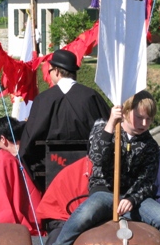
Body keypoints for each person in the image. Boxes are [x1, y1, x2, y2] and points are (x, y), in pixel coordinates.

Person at [46, 90, 160, 245]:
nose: (144, 123)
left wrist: (132, 198)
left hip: (135, 198)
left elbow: (147, 180)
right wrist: (110, 126)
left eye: (149, 119)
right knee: (86, 212)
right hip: (105, 191)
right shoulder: (103, 128)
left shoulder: (149, 144)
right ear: (125, 111)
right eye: (139, 117)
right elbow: (96, 157)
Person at [19, 49, 110, 191]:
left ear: (56, 71)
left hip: (50, 176)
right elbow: (109, 131)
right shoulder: (91, 97)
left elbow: (27, 144)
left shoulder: (43, 99)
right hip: (90, 175)